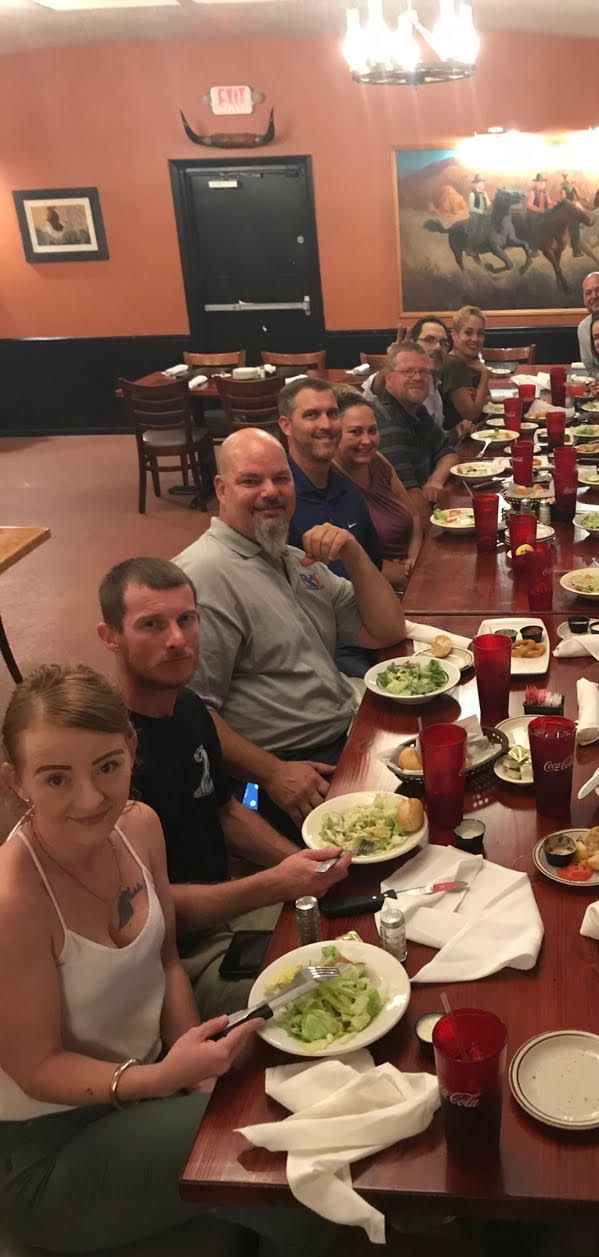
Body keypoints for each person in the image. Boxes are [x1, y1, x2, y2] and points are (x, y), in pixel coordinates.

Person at [0, 664, 334, 1257]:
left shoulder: (138, 827)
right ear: (17, 782)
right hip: (53, 1148)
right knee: (284, 1144)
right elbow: (34, 1066)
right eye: (56, 778)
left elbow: (166, 961)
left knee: (316, 1052)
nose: (90, 798)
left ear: (131, 749)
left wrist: (190, 1063)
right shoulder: (14, 899)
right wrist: (164, 1080)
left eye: (107, 766)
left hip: (149, 1082)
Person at [96, 558, 350, 1018]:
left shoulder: (190, 707)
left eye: (186, 619)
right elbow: (150, 911)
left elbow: (226, 812)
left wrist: (300, 864)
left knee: (357, 932)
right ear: (110, 636)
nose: (177, 640)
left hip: (230, 911)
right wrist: (275, 883)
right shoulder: (108, 759)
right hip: (177, 960)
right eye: (151, 625)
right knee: (337, 993)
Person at [173, 428, 405, 842]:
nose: (271, 492)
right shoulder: (204, 577)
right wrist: (274, 774)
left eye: (281, 479)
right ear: (221, 489)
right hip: (295, 772)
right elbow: (189, 712)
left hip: (349, 731)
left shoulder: (295, 559)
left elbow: (386, 629)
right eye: (251, 481)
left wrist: (353, 553)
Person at [276, 376, 382, 579]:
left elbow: (373, 565)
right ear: (286, 425)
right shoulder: (276, 500)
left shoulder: (348, 491)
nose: (326, 424)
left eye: (332, 414)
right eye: (312, 415)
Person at [334, 389, 424, 592]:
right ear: (334, 433)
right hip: (377, 592)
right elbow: (345, 565)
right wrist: (402, 575)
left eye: (372, 430)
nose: (367, 440)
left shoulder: (378, 462)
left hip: (414, 575)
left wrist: (414, 561)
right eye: (355, 432)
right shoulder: (330, 480)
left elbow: (415, 517)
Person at [371, 341, 458, 513]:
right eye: (408, 371)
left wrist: (435, 480)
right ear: (389, 379)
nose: (418, 378)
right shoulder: (386, 422)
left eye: (424, 372)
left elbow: (449, 453)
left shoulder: (417, 411)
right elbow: (411, 502)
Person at [362, 316, 449, 430]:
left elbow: (433, 438)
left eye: (443, 343)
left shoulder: (432, 383)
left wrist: (455, 432)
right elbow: (373, 395)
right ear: (413, 344)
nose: (438, 347)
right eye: (429, 340)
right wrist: (392, 361)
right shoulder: (400, 379)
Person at [439, 305, 491, 434]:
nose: (475, 339)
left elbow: (488, 397)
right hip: (457, 441)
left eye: (480, 333)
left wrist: (478, 398)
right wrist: (485, 374)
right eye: (468, 332)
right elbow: (472, 414)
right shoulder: (453, 364)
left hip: (474, 433)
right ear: (454, 335)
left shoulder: (471, 361)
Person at [466, 174, 489, 255]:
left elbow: (488, 203)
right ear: (476, 184)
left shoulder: (484, 193)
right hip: (475, 215)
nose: (484, 184)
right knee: (474, 229)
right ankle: (469, 248)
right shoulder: (472, 194)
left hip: (485, 214)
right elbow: (471, 208)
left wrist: (490, 207)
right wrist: (482, 212)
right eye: (482, 183)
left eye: (483, 182)